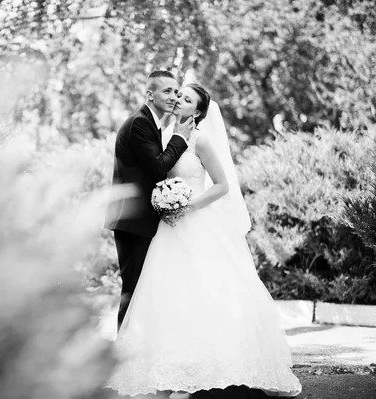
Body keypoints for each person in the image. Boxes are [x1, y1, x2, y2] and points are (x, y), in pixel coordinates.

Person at [105, 83, 302, 398]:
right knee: (165, 296)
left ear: (197, 112)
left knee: (202, 291)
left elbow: (222, 185)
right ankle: (164, 373)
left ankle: (195, 374)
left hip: (194, 223)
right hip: (167, 229)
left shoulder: (202, 141)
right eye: (178, 95)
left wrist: (188, 206)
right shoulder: (164, 137)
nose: (178, 100)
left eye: (186, 99)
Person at [104, 70, 195, 329]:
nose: (173, 96)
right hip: (133, 220)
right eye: (167, 91)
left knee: (142, 289)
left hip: (141, 219)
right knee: (133, 290)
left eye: (176, 92)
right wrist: (180, 137)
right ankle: (122, 350)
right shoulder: (140, 123)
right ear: (150, 94)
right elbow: (157, 168)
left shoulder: (152, 123)